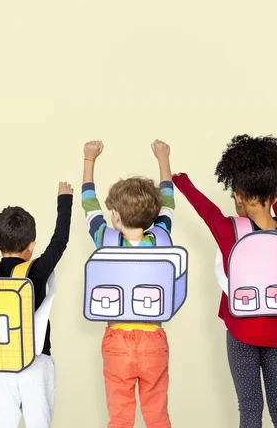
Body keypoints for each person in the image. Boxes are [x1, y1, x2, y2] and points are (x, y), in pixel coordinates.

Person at [172, 134, 277, 428]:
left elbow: (207, 211)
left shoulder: (231, 230)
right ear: (275, 194)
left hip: (241, 331)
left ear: (238, 196)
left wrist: (181, 181)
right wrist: (274, 167)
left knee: (250, 408)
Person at [82, 139, 175, 428]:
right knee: (157, 415)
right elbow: (169, 200)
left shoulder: (106, 240)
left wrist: (89, 160)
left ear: (117, 217)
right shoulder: (160, 238)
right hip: (153, 342)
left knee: (120, 417)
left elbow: (89, 206)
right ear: (153, 215)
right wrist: (162, 158)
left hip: (118, 341)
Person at [0, 179, 74, 428]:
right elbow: (60, 241)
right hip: (36, 363)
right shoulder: (37, 269)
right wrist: (64, 200)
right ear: (32, 246)